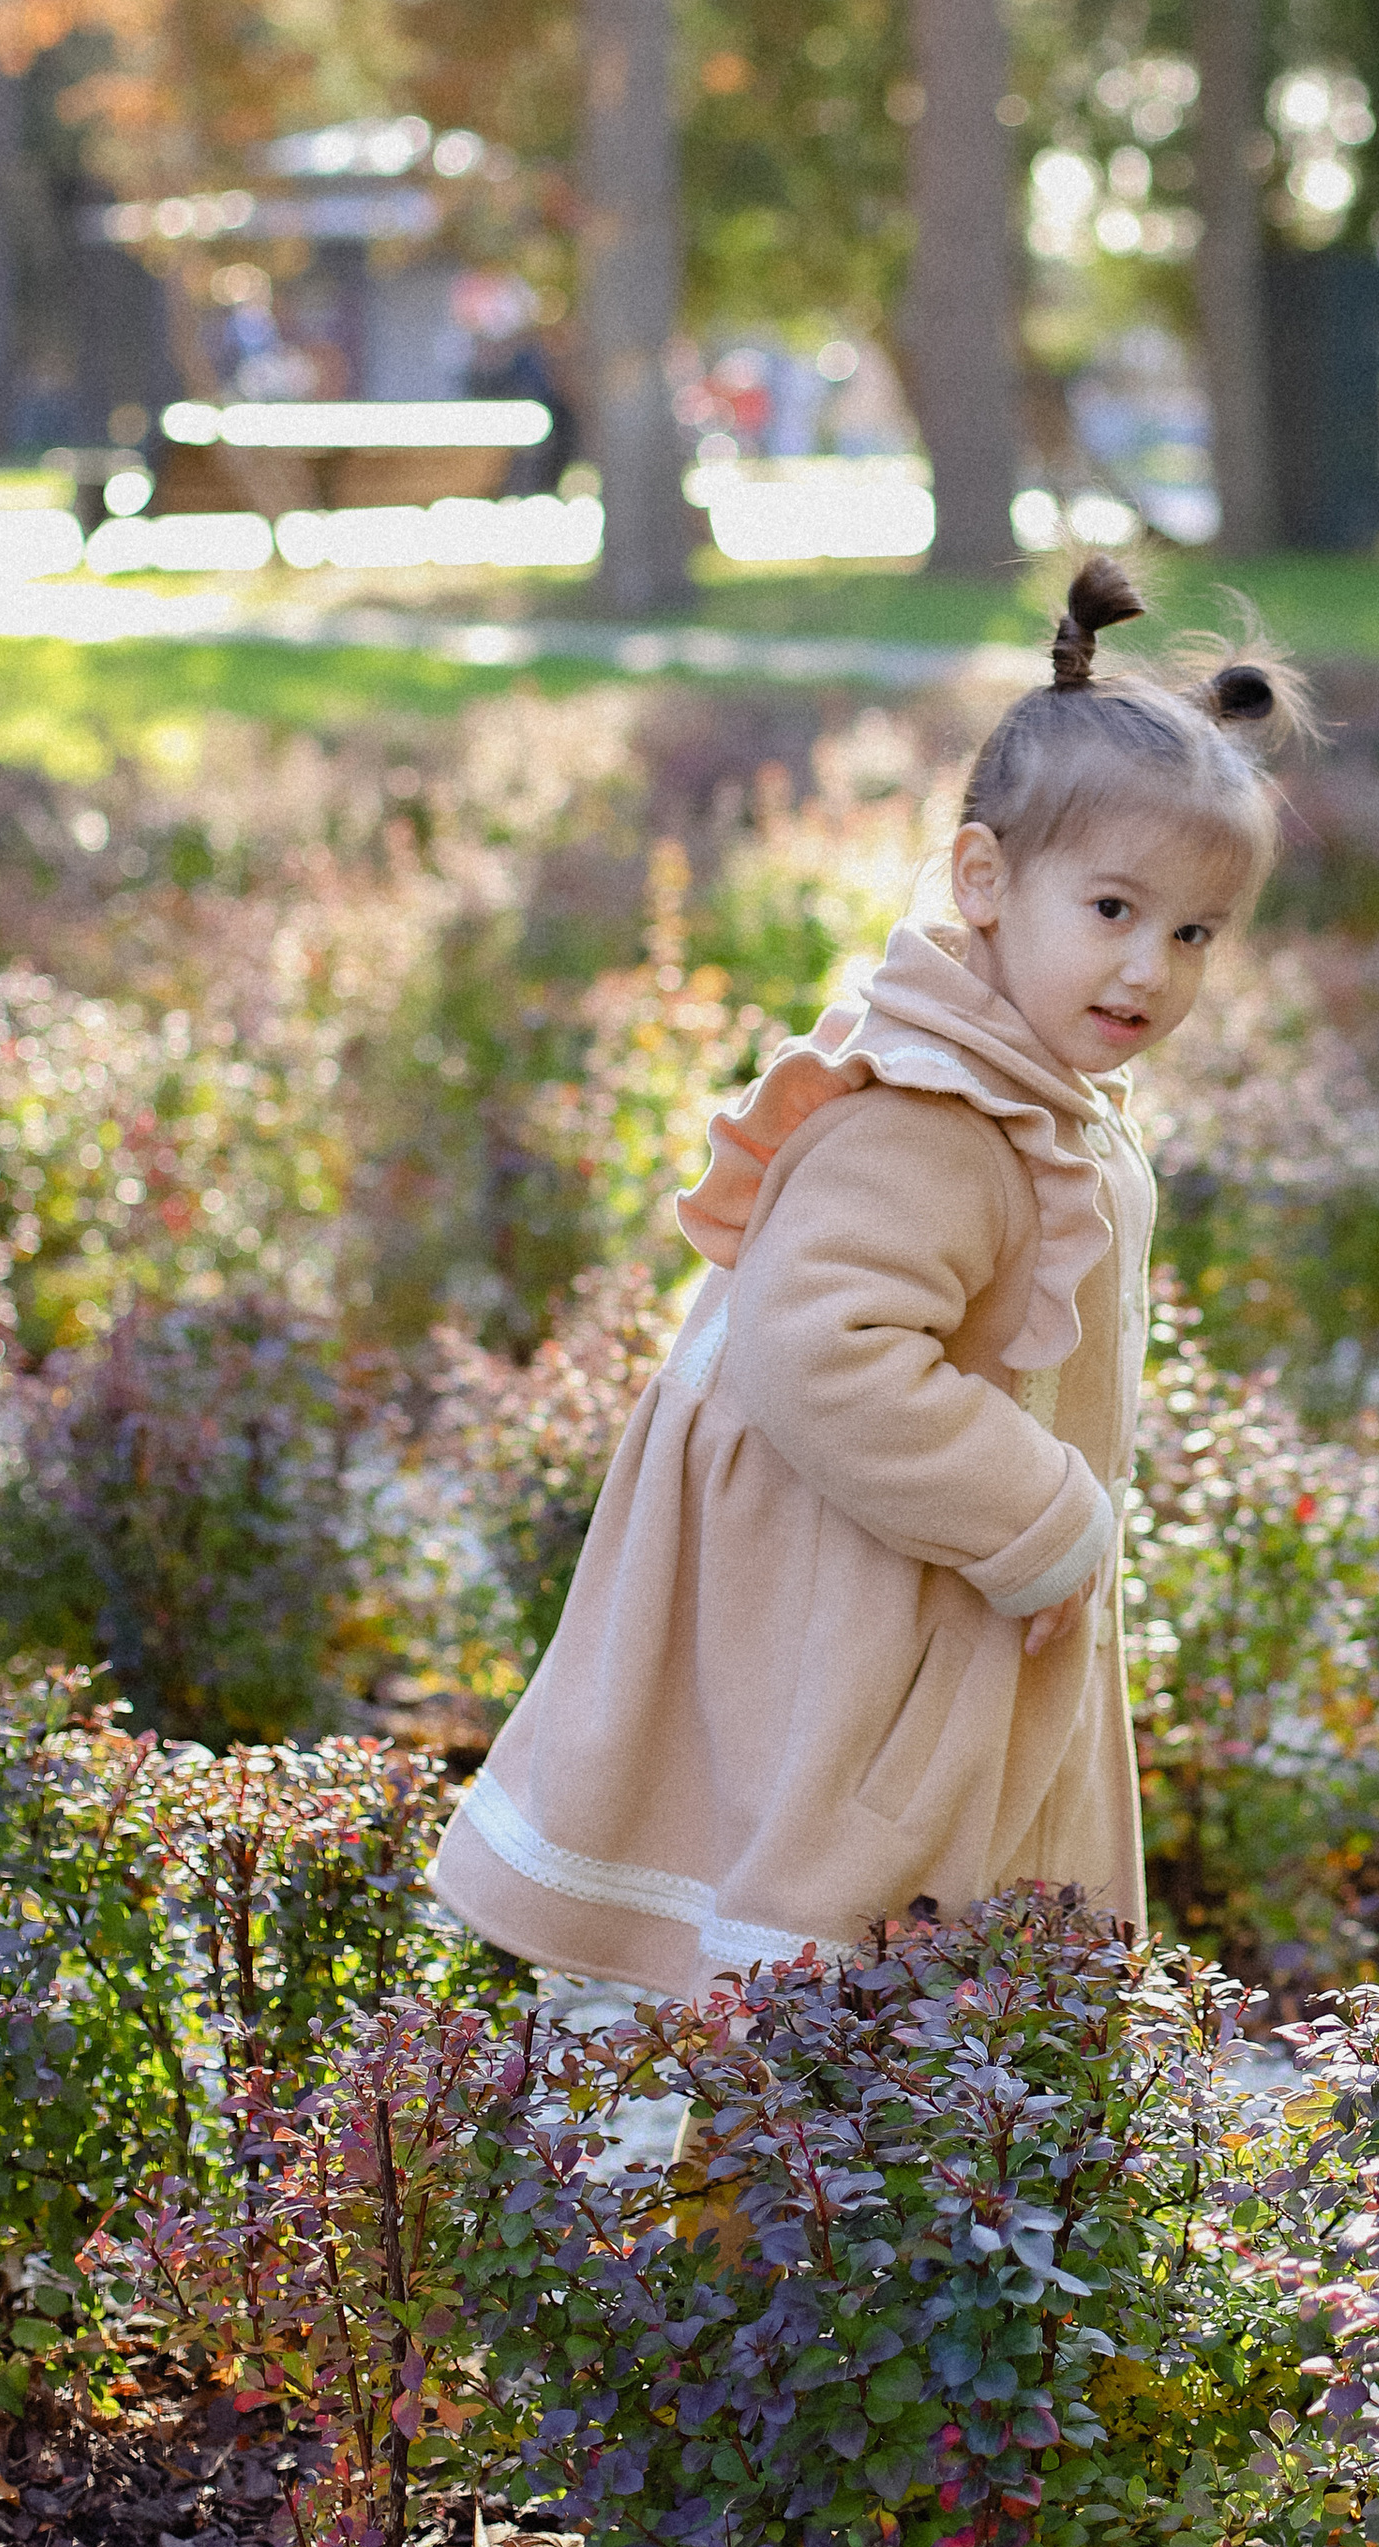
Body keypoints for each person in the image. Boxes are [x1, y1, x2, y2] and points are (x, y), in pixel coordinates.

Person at [429, 556, 1310, 1991]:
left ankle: (920, 2153)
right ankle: (756, 2163)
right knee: (824, 1936)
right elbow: (818, 1347)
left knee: (936, 1938)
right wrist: (1041, 1513)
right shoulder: (934, 1111)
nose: (1151, 968)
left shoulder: (1032, 1085)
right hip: (853, 1599)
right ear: (986, 879)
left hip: (930, 1584)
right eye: (1111, 911)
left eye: (1194, 932)